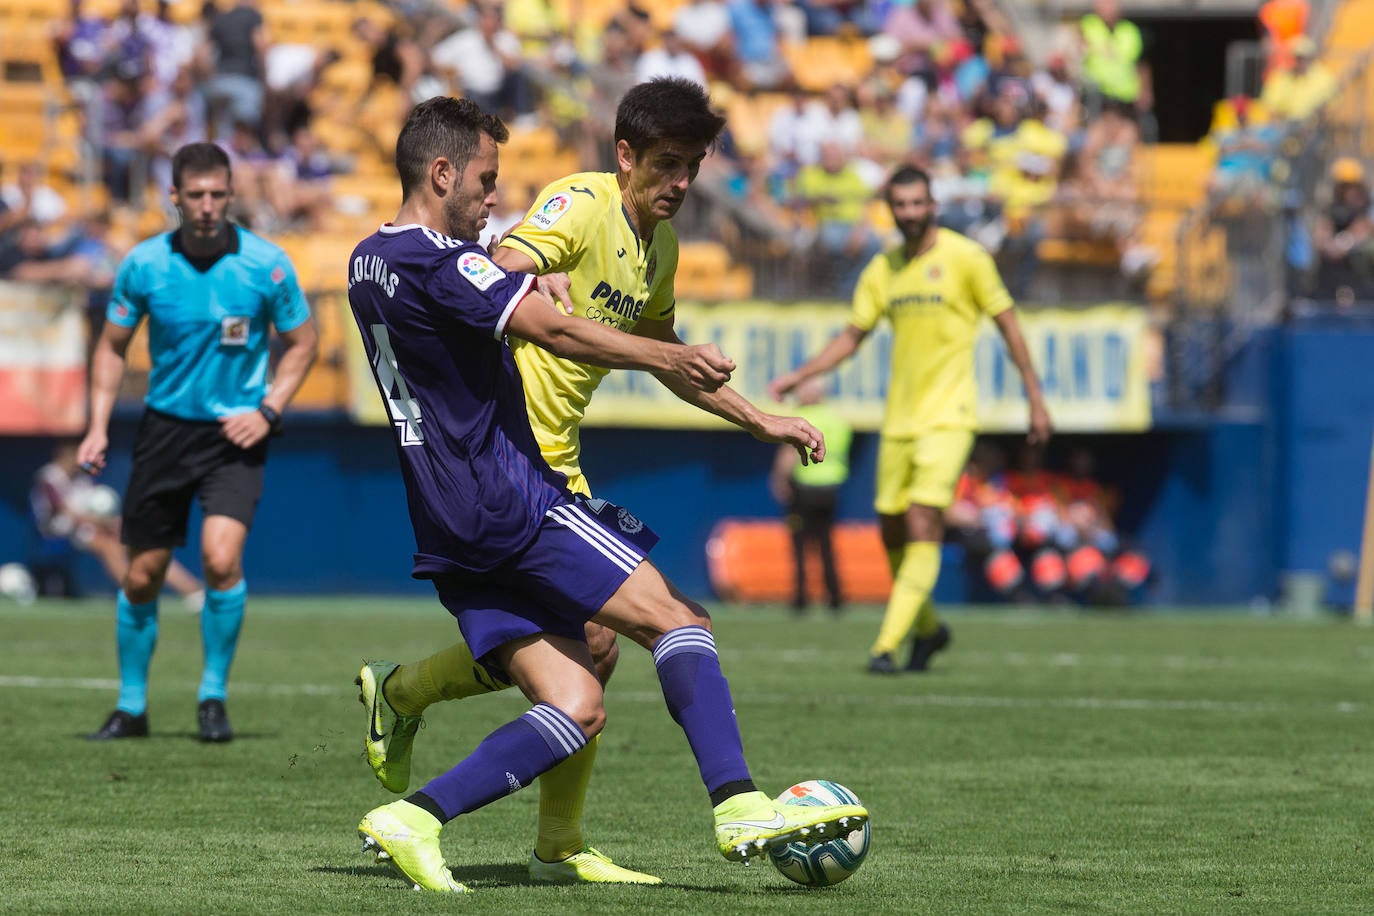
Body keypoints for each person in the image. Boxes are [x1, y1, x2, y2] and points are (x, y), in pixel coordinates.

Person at [346, 94, 867, 893]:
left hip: (453, 508)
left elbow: (662, 346)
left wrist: (755, 418)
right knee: (679, 621)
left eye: (694, 167)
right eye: (668, 164)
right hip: (517, 488)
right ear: (626, 155)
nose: (684, 181)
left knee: (581, 688)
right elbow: (518, 271)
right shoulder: (576, 205)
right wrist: (524, 279)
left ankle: (433, 810)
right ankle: (737, 806)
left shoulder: (369, 259)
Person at [77, 141, 318, 742]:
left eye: (218, 194)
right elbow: (110, 347)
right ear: (175, 198)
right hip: (164, 432)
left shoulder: (267, 265)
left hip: (236, 435)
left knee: (219, 559)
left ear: (231, 195)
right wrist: (98, 425)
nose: (208, 205)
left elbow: (305, 342)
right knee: (142, 576)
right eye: (196, 195)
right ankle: (131, 706)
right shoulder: (144, 265)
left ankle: (213, 697)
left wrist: (269, 408)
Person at [769, 165, 1051, 674]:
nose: (910, 213)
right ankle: (928, 630)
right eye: (901, 205)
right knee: (894, 532)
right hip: (899, 419)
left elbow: (1008, 325)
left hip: (951, 416)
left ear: (933, 205)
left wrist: (1035, 395)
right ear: (891, 209)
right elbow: (850, 338)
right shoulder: (883, 270)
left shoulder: (967, 258)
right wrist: (799, 375)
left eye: (918, 203)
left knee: (924, 519)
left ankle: (885, 644)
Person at [29, 440, 204, 604]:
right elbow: (66, 512)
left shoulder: (81, 477)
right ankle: (133, 594)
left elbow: (93, 506)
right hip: (59, 530)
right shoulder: (49, 477)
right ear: (61, 456)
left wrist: (111, 522)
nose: (75, 462)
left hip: (92, 527)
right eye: (72, 457)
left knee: (143, 543)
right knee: (109, 546)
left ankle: (192, 590)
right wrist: (105, 522)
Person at [769, 377, 853, 613]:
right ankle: (835, 596)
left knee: (799, 544)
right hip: (831, 488)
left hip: (805, 488)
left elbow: (788, 455)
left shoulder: (803, 418)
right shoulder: (838, 419)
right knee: (826, 543)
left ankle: (800, 597)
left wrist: (779, 480)